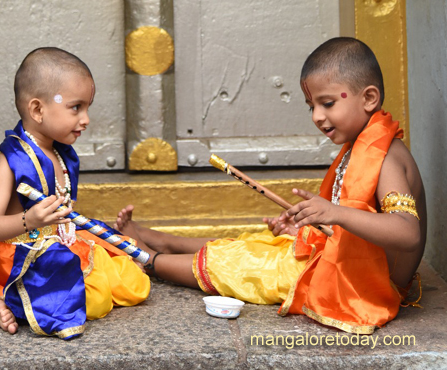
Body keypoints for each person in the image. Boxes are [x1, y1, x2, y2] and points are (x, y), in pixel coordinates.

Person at [114, 37, 427, 334]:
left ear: (369, 98)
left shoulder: (386, 157)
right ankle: (158, 239)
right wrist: (310, 226)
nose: (317, 116)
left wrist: (334, 214)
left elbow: (406, 232)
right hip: (346, 263)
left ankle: (150, 261)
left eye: (327, 103)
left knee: (241, 264)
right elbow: (353, 230)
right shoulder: (364, 143)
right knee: (256, 244)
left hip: (365, 285)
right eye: (311, 106)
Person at [0, 47, 150, 339]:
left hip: (64, 242)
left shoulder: (60, 152)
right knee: (93, 298)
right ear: (38, 110)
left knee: (131, 283)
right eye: (76, 107)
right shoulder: (11, 160)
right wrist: (28, 219)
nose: (86, 119)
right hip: (23, 253)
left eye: (87, 107)